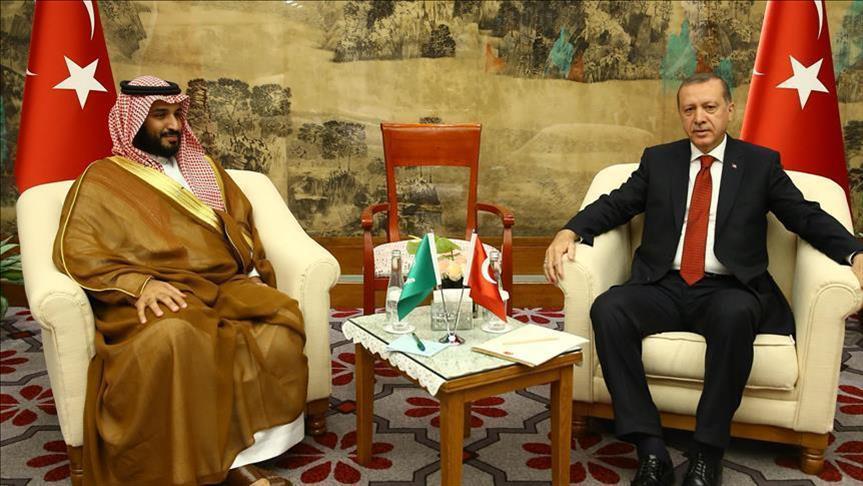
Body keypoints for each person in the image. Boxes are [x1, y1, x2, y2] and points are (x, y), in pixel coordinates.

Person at [544, 72, 863, 486]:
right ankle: (650, 448)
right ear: (680, 115)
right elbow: (615, 205)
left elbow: (804, 216)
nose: (699, 118)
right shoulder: (659, 161)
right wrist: (569, 231)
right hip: (663, 284)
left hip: (728, 288)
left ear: (729, 110)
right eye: (689, 109)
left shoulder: (759, 164)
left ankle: (707, 452)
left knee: (735, 314)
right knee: (609, 308)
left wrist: (854, 252)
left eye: (710, 107)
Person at [53, 76, 306, 486]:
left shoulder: (205, 168)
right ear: (133, 120)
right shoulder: (102, 179)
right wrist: (139, 284)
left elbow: (241, 226)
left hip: (223, 285)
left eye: (176, 114)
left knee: (281, 316)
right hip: (156, 293)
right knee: (179, 337)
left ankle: (248, 453)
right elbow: (77, 250)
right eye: (160, 115)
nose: (173, 125)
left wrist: (253, 274)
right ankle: (226, 468)